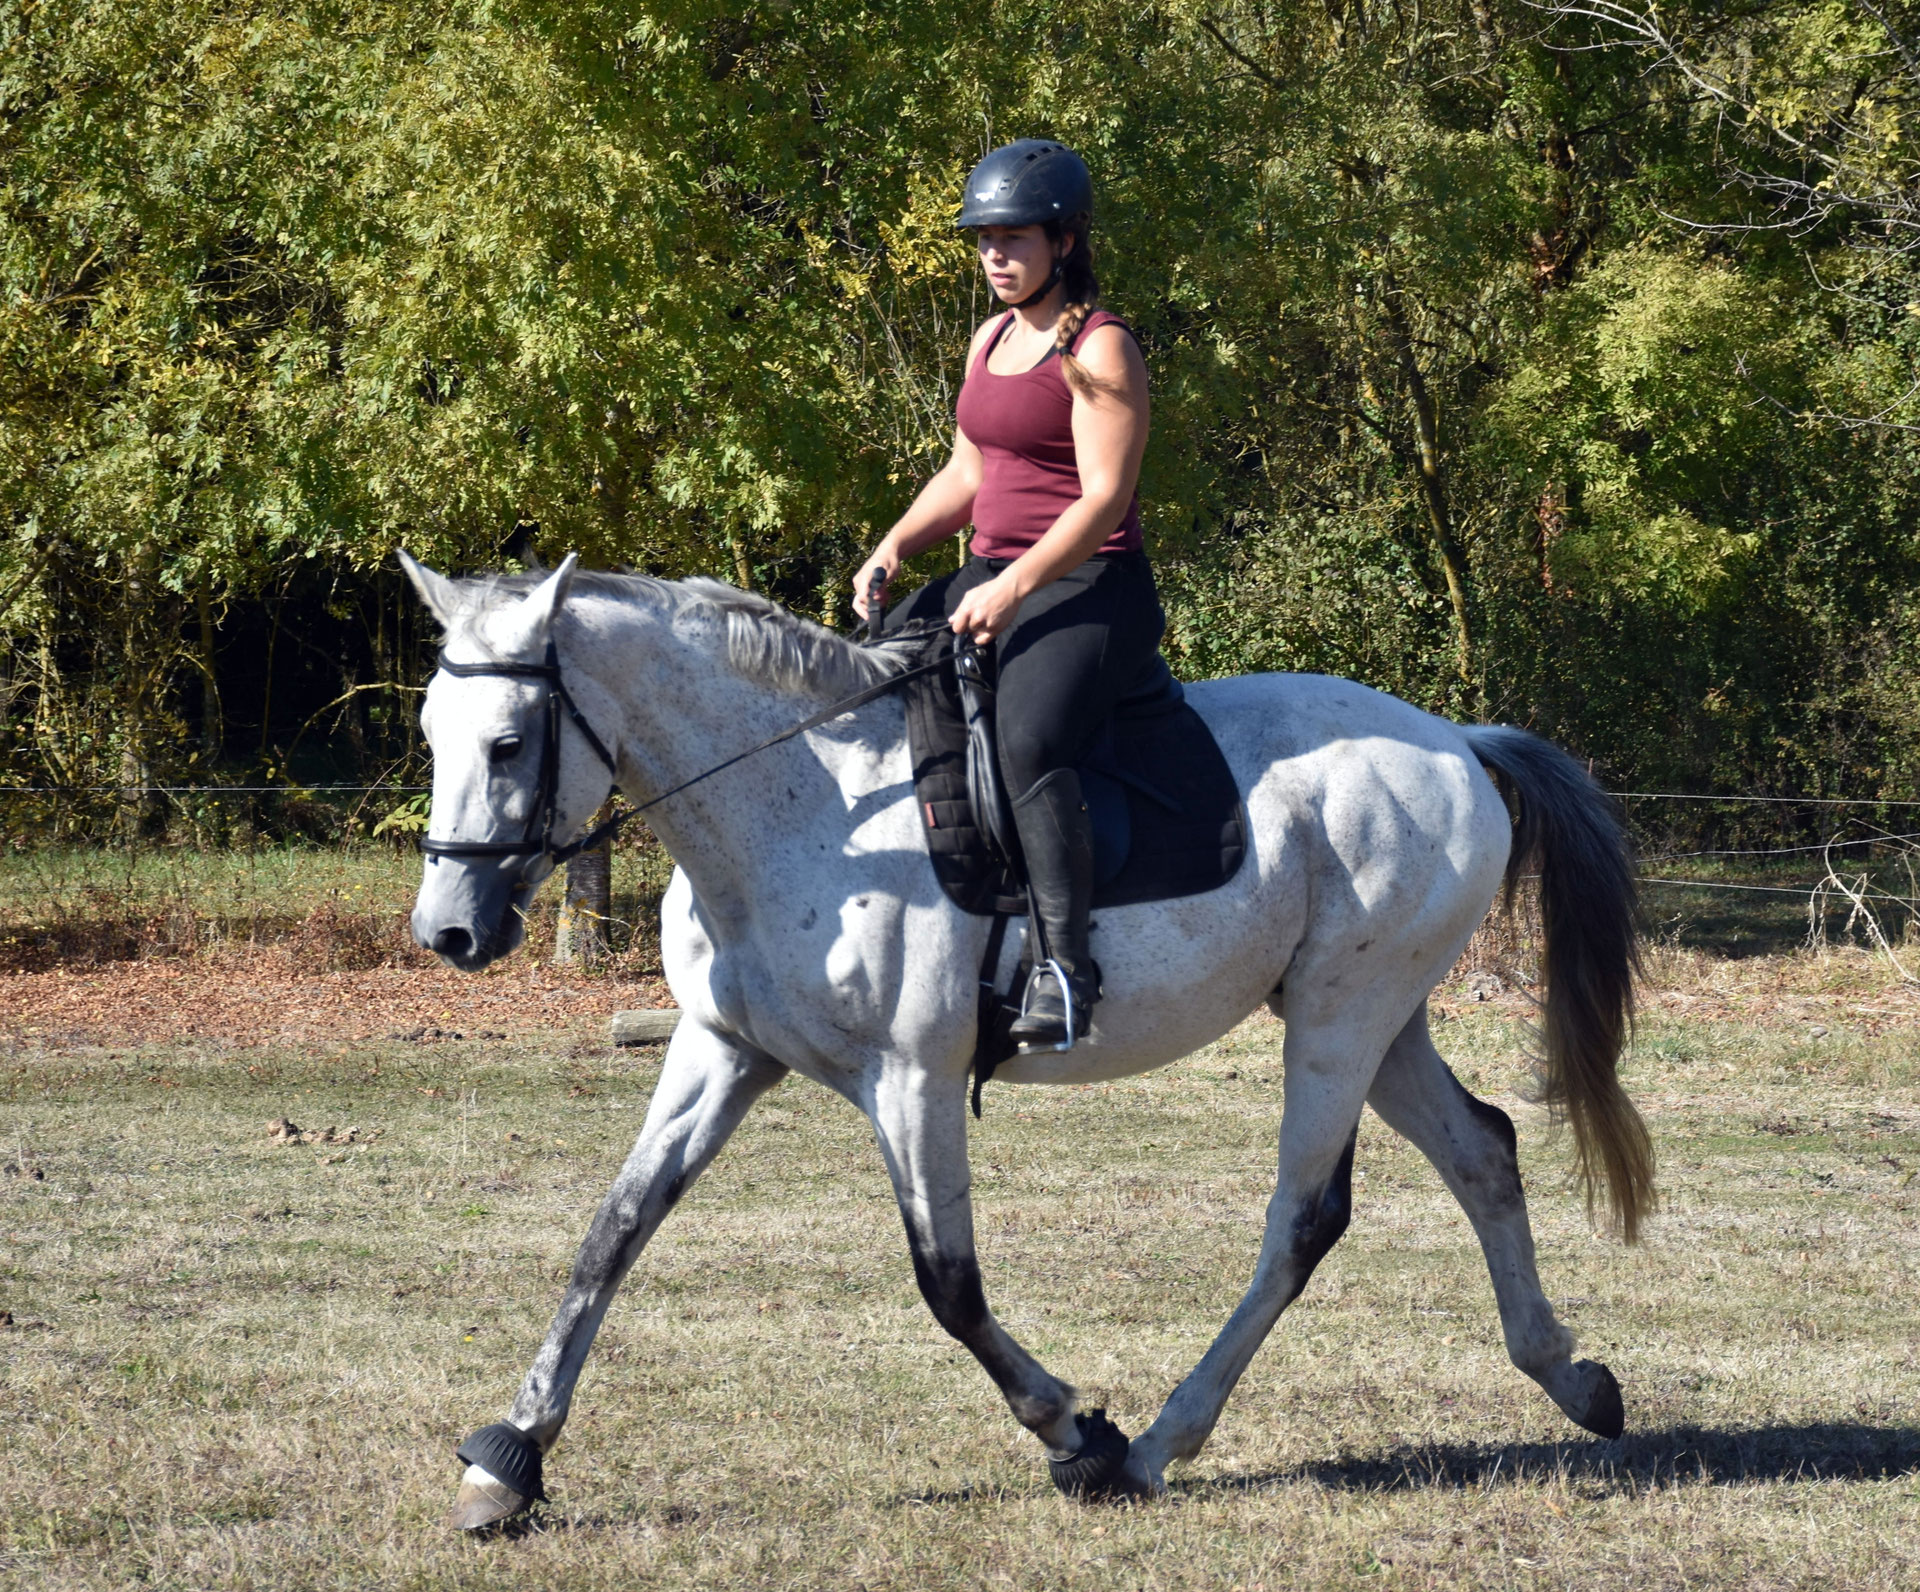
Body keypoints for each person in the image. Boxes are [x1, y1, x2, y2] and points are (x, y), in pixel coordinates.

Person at [852, 138, 1161, 1049]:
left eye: (1014, 238)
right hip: (996, 572)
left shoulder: (1102, 348)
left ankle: (1066, 971)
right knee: (870, 674)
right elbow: (970, 466)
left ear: (1064, 242)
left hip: (1093, 584)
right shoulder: (991, 336)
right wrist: (898, 542)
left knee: (1027, 738)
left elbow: (1102, 499)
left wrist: (1018, 585)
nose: (995, 256)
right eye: (984, 240)